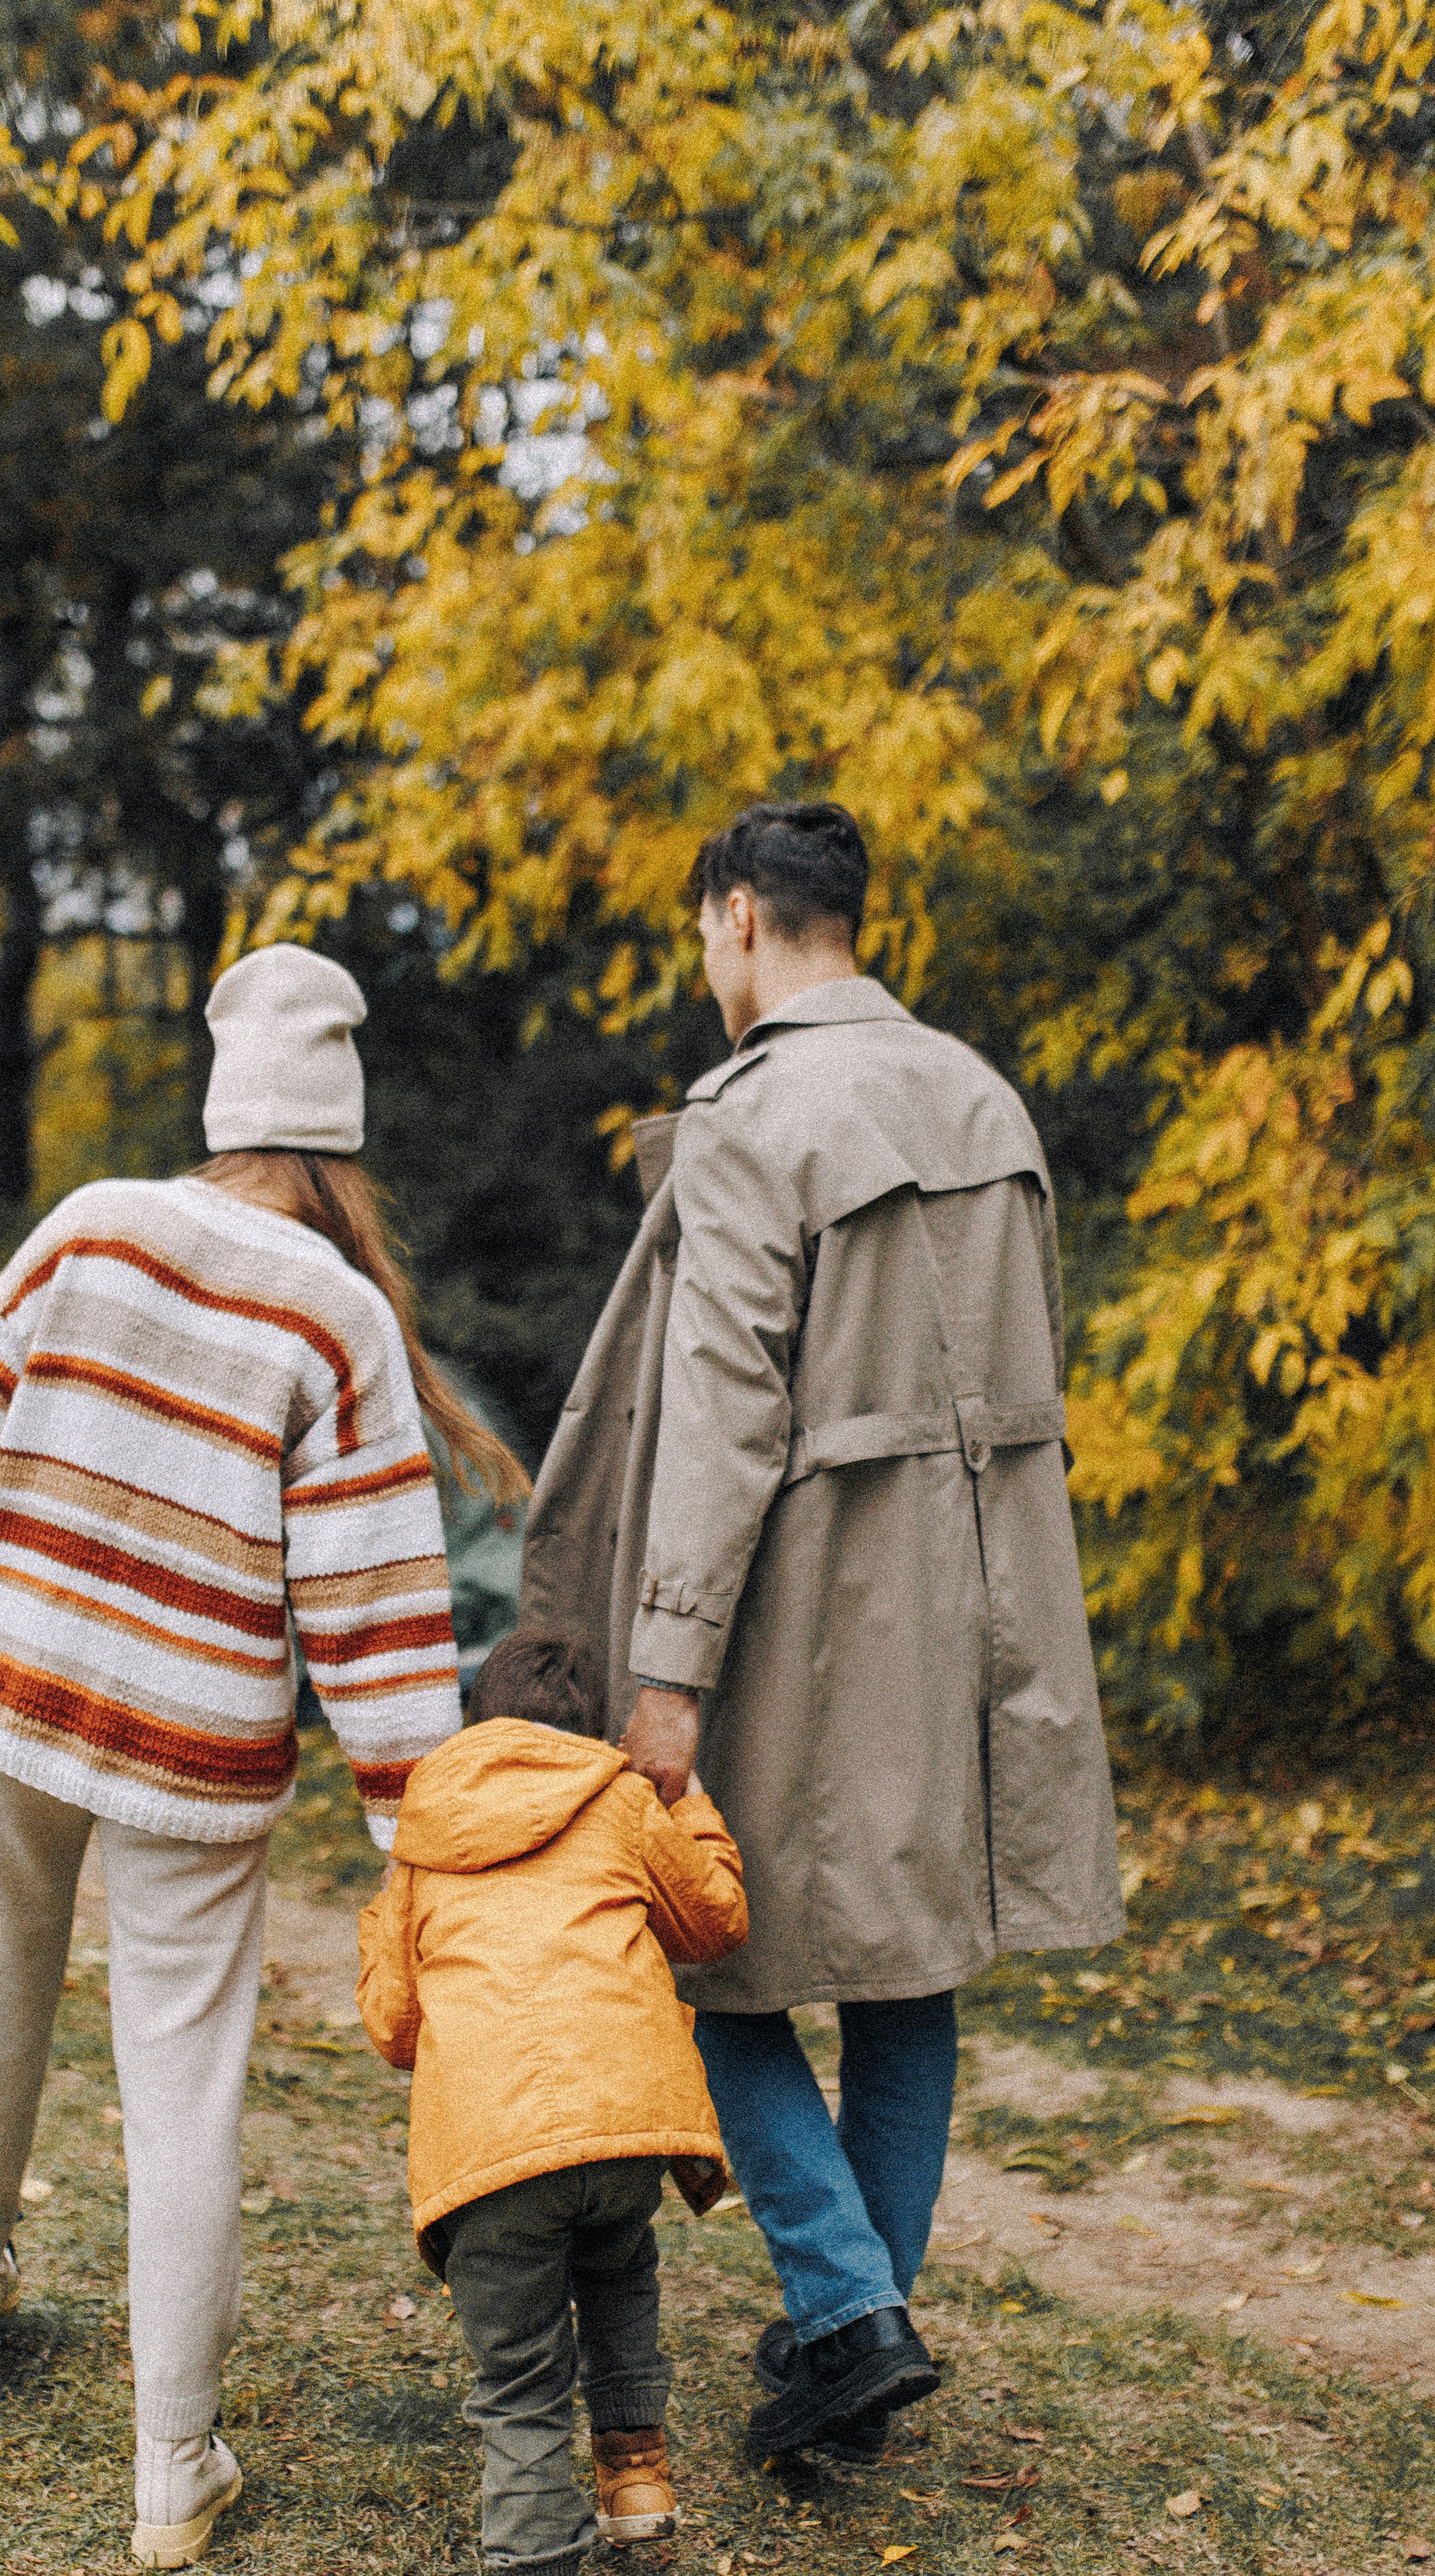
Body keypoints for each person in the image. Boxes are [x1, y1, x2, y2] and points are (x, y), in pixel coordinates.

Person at [0, 944, 526, 2568]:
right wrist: (419, 1833)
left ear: (219, 1100)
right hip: (193, 1745)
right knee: (181, 2079)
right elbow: (376, 1610)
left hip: (5, 1698)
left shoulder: (93, 1225)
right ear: (340, 1130)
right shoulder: (339, 1321)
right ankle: (171, 2471)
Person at [520, 802, 1123, 2466]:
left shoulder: (753, 1114)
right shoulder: (979, 1096)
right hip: (984, 1591)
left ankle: (847, 2305)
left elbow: (718, 1418)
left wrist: (664, 1670)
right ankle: (848, 2344)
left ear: (734, 918)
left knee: (705, 1946)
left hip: (810, 1598)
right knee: (907, 1957)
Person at [355, 1627, 747, 2576]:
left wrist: (385, 1936)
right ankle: (633, 2471)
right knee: (619, 2267)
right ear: (589, 1733)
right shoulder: (623, 1805)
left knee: (522, 2383)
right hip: (627, 2125)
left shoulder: (424, 1842)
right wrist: (691, 1799)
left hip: (491, 2154)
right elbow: (718, 1921)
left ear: (477, 1727)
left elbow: (392, 2026)